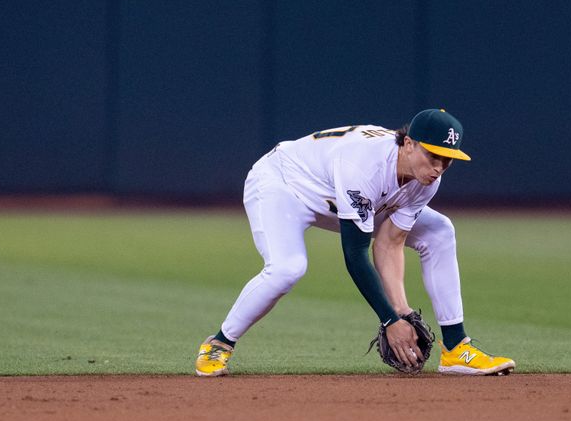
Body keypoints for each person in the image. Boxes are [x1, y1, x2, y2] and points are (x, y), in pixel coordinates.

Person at [195, 108, 515, 376]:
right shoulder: (365, 165)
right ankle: (220, 342)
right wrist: (389, 319)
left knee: (439, 231)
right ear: (408, 144)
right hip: (284, 186)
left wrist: (402, 311)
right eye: (433, 155)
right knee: (287, 268)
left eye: (447, 159)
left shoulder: (425, 180)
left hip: (342, 199)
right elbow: (354, 253)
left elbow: (389, 243)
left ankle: (456, 349)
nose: (439, 167)